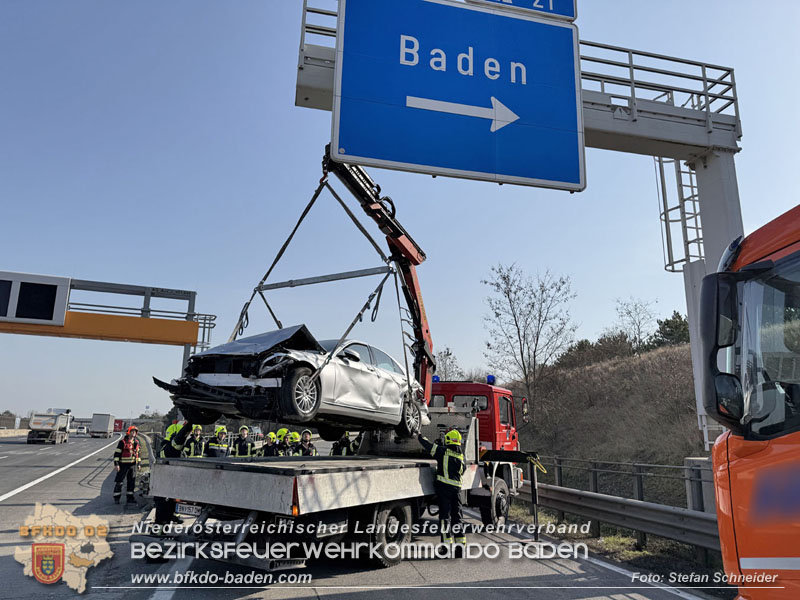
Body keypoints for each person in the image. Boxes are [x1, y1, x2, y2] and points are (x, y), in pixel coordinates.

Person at [417, 428, 466, 547]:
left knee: (445, 517)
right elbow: (463, 470)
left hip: (444, 490)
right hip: (457, 491)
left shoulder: (442, 452)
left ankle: (446, 545)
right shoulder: (461, 457)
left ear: (448, 440)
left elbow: (428, 446)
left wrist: (419, 435)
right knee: (457, 517)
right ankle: (460, 546)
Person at [154, 421, 193, 524]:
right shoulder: (171, 448)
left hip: (167, 482)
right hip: (165, 484)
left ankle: (172, 517)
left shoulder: (166, 447)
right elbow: (179, 440)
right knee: (163, 513)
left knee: (171, 503)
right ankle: (159, 531)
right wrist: (190, 424)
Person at [113, 425, 141, 504]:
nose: (133, 433)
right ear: (128, 432)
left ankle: (130, 498)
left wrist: (139, 464)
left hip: (132, 465)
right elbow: (117, 454)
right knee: (120, 481)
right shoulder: (122, 442)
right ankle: (116, 497)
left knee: (131, 482)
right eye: (132, 432)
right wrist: (117, 464)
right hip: (123, 465)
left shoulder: (136, 443)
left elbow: (138, 455)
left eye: (135, 432)